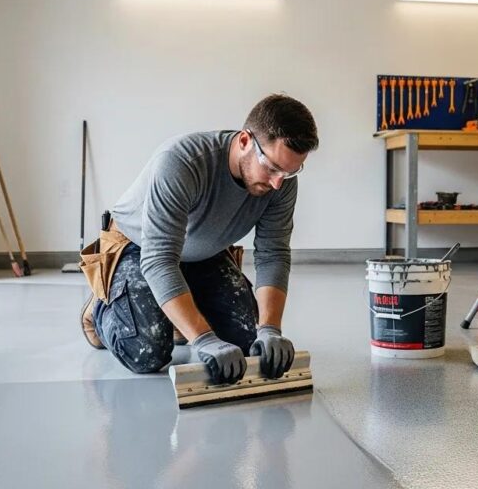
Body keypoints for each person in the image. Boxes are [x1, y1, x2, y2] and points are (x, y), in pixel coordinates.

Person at [80, 94, 318, 385]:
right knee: (146, 352)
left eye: (290, 172)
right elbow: (159, 260)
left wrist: (270, 329)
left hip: (202, 251)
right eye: (271, 168)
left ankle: (178, 312)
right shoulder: (182, 162)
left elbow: (274, 253)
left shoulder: (282, 180)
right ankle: (102, 307)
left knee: (246, 341)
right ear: (244, 141)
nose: (278, 182)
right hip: (138, 246)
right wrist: (203, 338)